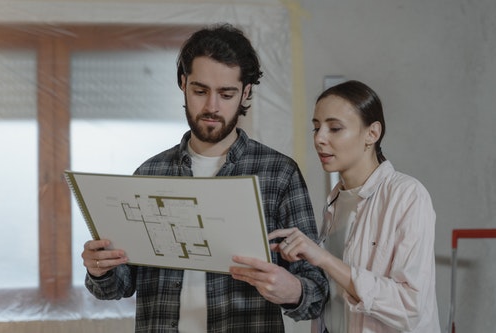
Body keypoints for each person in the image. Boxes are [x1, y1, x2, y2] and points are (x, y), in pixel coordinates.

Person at [81, 23, 328, 332]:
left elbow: (317, 294)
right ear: (183, 84)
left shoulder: (279, 174)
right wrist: (100, 269)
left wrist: (291, 289)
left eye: (226, 94)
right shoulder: (149, 173)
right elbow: (118, 287)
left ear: (246, 92)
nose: (212, 107)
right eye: (200, 91)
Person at [269, 80, 440, 333]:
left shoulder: (407, 195)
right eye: (316, 128)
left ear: (372, 133)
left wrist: (325, 260)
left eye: (335, 128)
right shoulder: (336, 200)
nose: (319, 139)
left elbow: (410, 306)